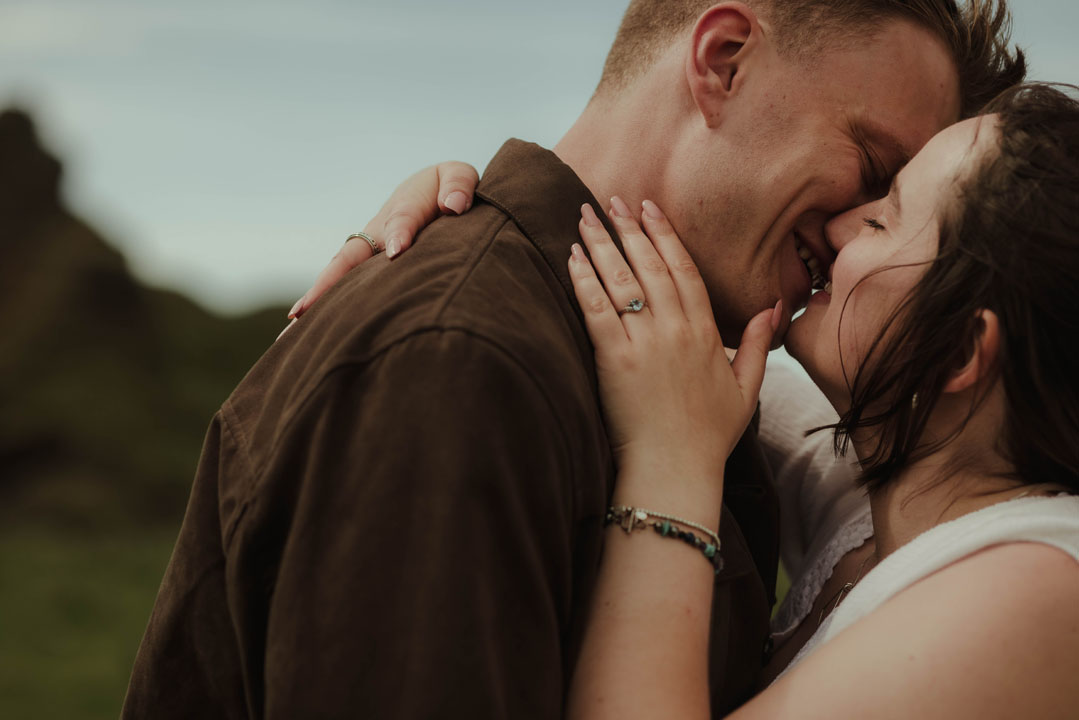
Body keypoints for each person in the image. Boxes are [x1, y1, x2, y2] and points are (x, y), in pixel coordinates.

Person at [123, 2, 1023, 717]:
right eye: (869, 164)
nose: (844, 230)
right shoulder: (459, 363)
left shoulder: (681, 377)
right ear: (722, 62)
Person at [303, 83, 1079, 716]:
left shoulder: (1038, 594)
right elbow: (658, 354)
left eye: (884, 218)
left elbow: (676, 411)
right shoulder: (903, 487)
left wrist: (669, 467)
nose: (842, 224)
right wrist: (455, 226)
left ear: (954, 353)